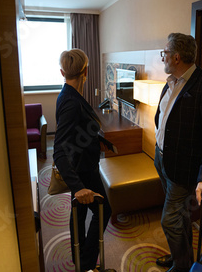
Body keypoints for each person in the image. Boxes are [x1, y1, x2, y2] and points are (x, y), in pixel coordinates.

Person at [154, 33, 202, 272]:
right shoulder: (170, 81)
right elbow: (165, 119)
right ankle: (182, 259)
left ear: (176, 57)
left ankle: (182, 267)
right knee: (180, 217)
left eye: (164, 53)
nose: (162, 57)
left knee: (170, 220)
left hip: (183, 167)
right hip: (162, 159)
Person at [53, 48, 113, 272]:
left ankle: (81, 262)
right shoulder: (70, 101)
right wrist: (77, 187)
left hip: (83, 163)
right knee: (103, 210)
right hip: (82, 170)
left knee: (78, 213)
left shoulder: (69, 95)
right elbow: (58, 149)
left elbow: (77, 129)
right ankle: (87, 264)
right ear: (86, 71)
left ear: (62, 72)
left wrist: (98, 140)